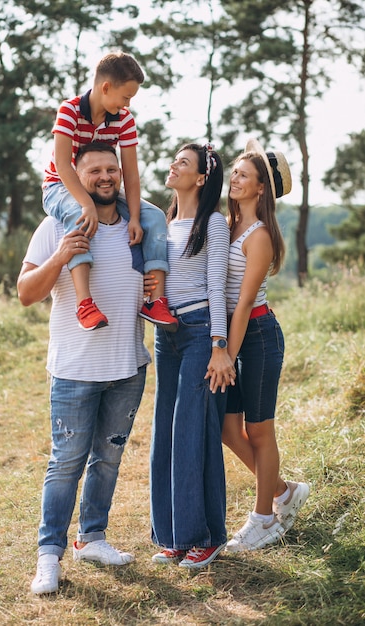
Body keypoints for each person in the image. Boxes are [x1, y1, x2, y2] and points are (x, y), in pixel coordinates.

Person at [17, 142, 151, 595]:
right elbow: (25, 293)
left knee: (108, 459)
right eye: (94, 170)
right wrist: (59, 257)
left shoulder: (139, 226)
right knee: (66, 464)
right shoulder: (56, 224)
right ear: (75, 175)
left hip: (128, 367)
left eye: (112, 168)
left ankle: (91, 538)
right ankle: (48, 556)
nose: (106, 177)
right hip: (74, 371)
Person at [147, 143, 236, 569]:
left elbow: (216, 287)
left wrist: (220, 347)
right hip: (166, 335)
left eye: (183, 162)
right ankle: (171, 537)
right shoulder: (163, 221)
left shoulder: (213, 224)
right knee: (166, 429)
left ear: (201, 178)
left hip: (201, 331)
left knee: (192, 432)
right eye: (174, 160)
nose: (173, 166)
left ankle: (205, 536)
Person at [43, 51, 177, 332]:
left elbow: (129, 172)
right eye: (126, 96)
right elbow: (64, 168)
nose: (128, 103)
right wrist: (86, 205)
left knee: (154, 217)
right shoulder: (69, 111)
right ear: (106, 88)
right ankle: (84, 303)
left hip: (100, 186)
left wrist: (136, 217)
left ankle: (154, 300)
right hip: (60, 185)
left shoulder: (124, 119)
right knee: (77, 217)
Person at [222, 138, 310, 552]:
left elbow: (242, 306)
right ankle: (283, 490)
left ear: (261, 189)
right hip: (234, 336)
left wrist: (226, 353)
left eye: (244, 174)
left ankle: (264, 519)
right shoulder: (227, 225)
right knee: (228, 429)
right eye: (234, 171)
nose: (234, 178)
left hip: (255, 336)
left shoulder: (258, 236)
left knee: (258, 430)